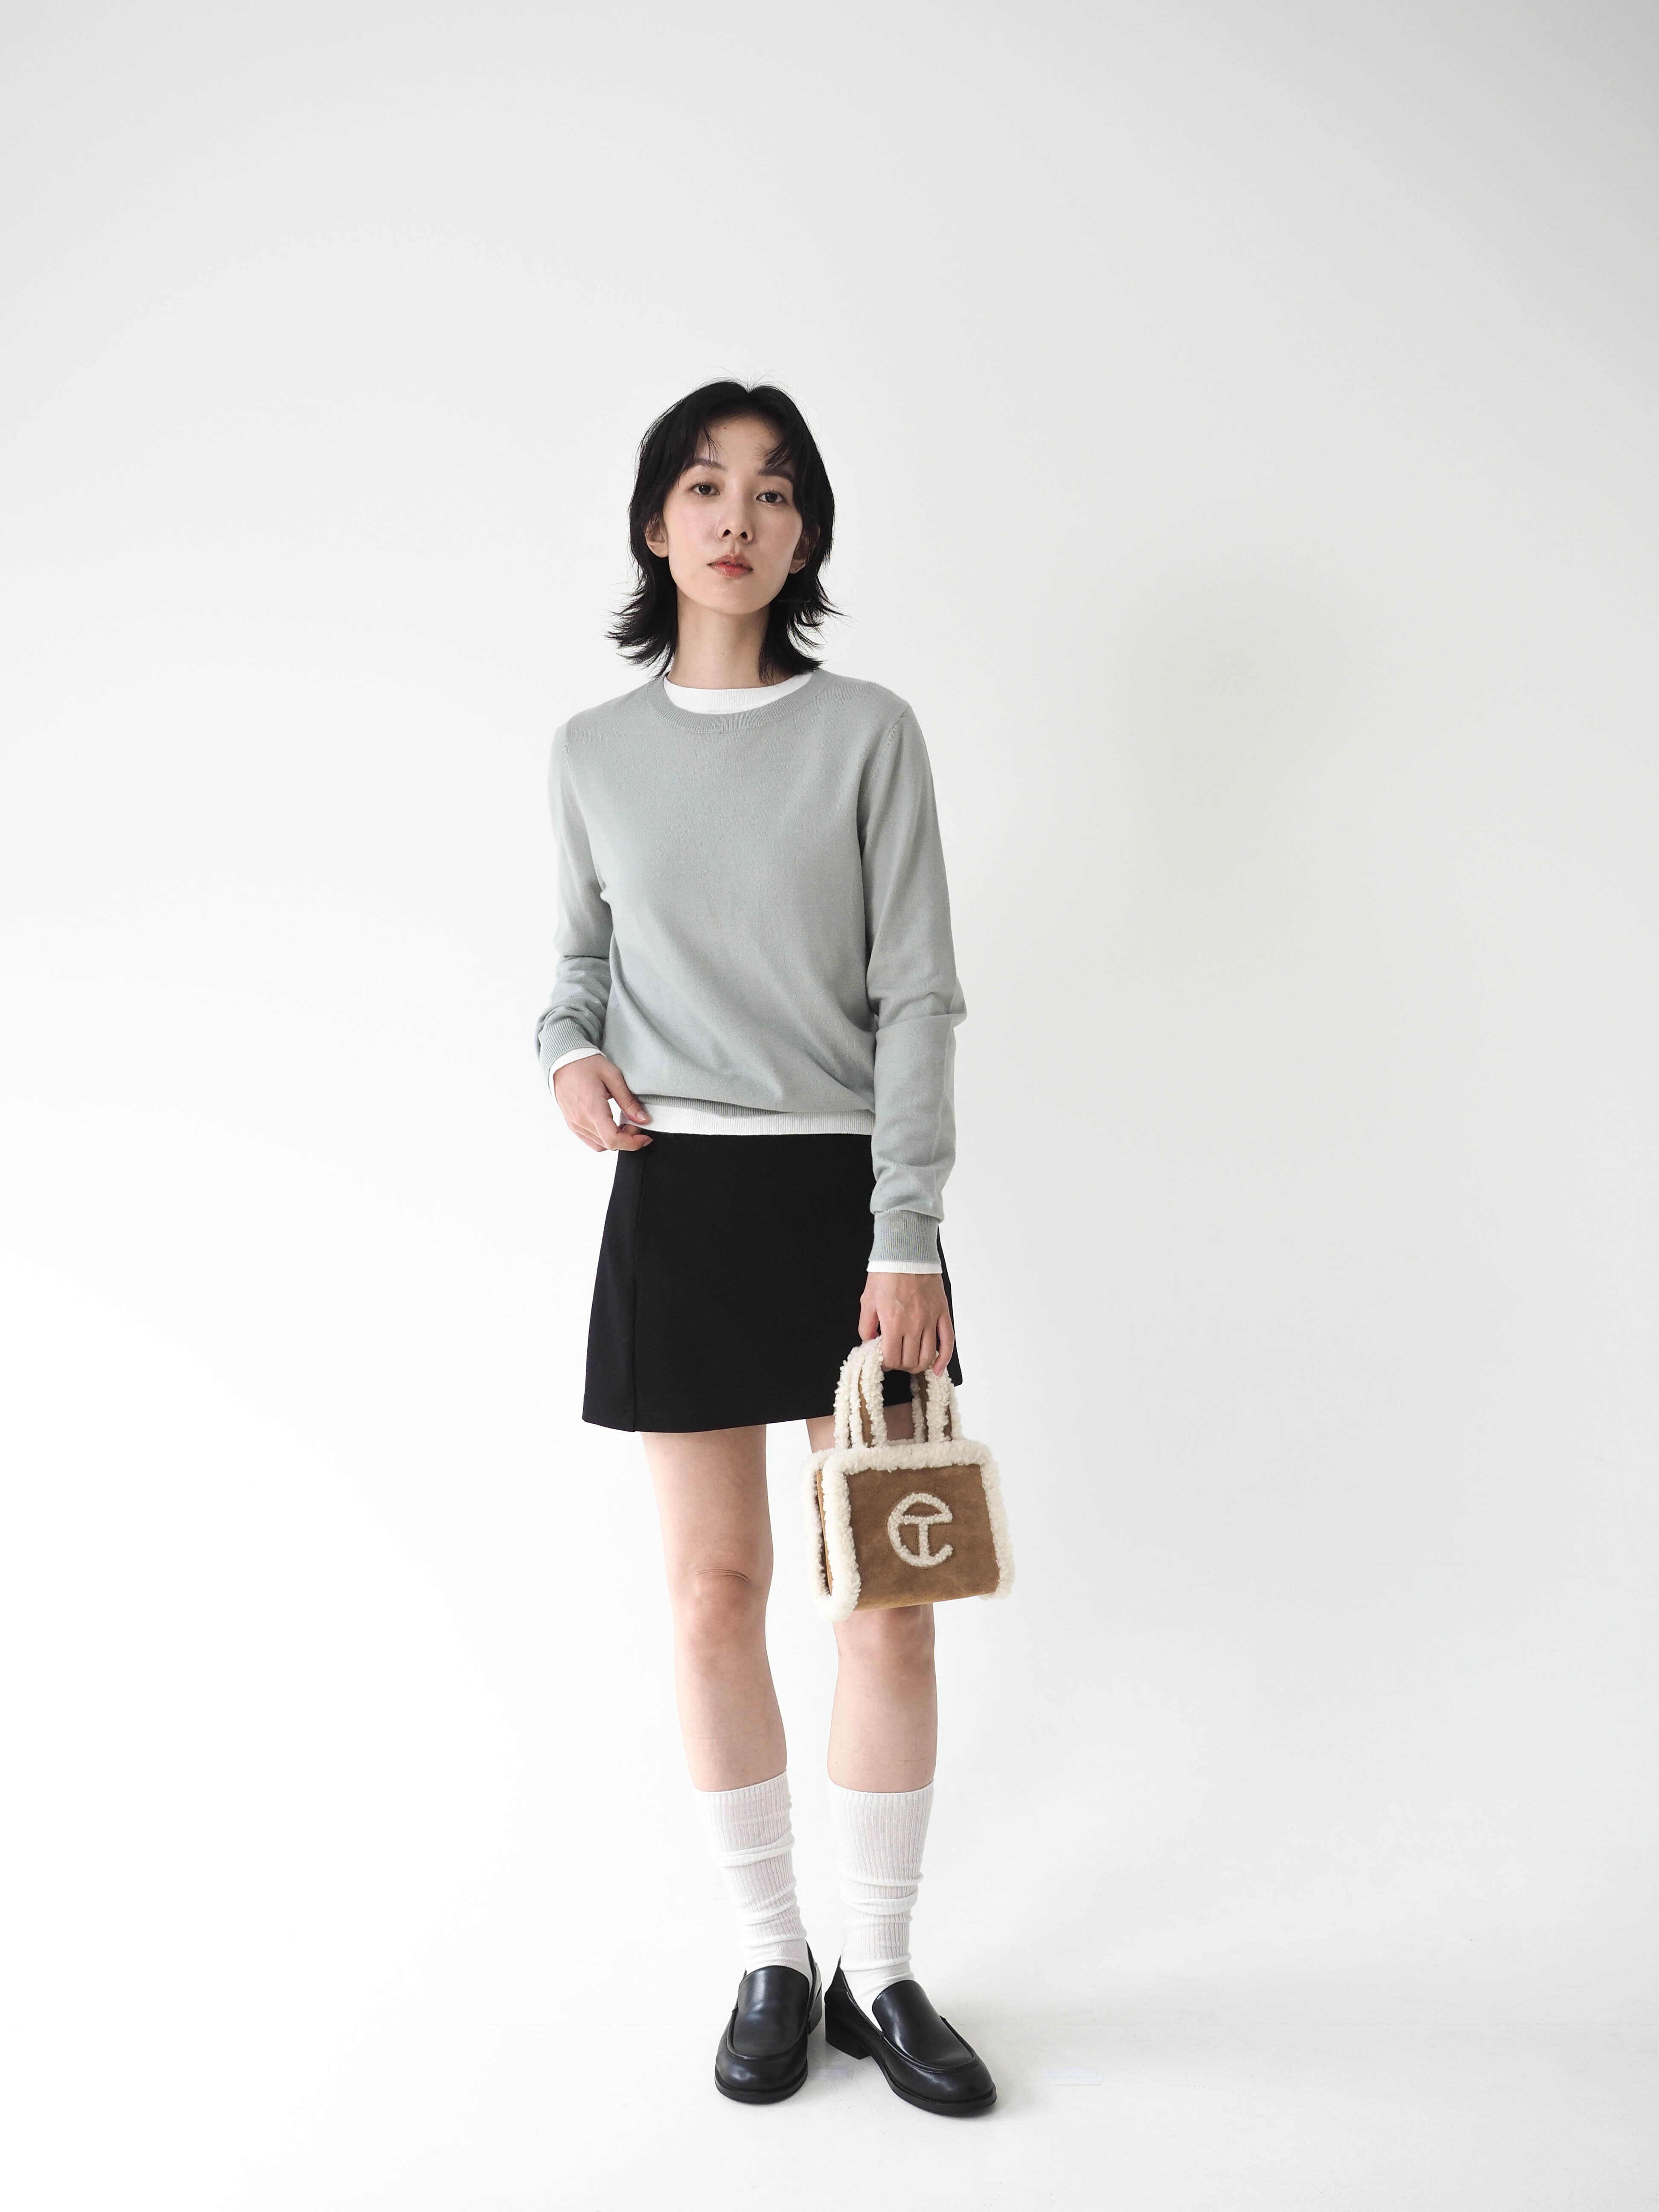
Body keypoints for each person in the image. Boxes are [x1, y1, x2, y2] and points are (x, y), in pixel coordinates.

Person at [535, 381, 995, 2116]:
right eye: (707, 485)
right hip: (681, 1203)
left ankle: (882, 1966)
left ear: (807, 536)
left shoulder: (868, 733)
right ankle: (771, 1958)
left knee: (892, 1599)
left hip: (854, 1214)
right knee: (715, 1596)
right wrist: (564, 1052)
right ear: (656, 522)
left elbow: (919, 994)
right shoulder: (593, 754)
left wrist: (909, 1230)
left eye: (778, 491)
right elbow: (576, 971)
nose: (740, 516)